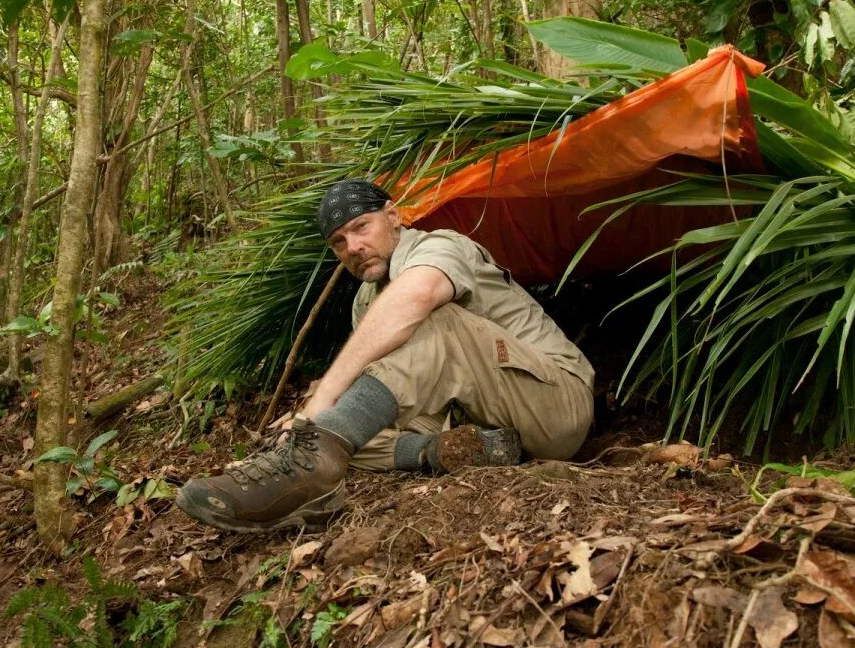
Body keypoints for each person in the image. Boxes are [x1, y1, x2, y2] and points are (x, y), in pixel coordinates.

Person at [176, 179, 594, 533]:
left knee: (433, 319)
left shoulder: (441, 246)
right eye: (339, 241)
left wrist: (322, 407)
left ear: (393, 216)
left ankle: (310, 465)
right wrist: (313, 413)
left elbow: (420, 296)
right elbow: (389, 375)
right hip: (481, 418)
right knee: (349, 419)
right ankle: (443, 451)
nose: (353, 246)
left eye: (361, 227)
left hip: (555, 403)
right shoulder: (366, 299)